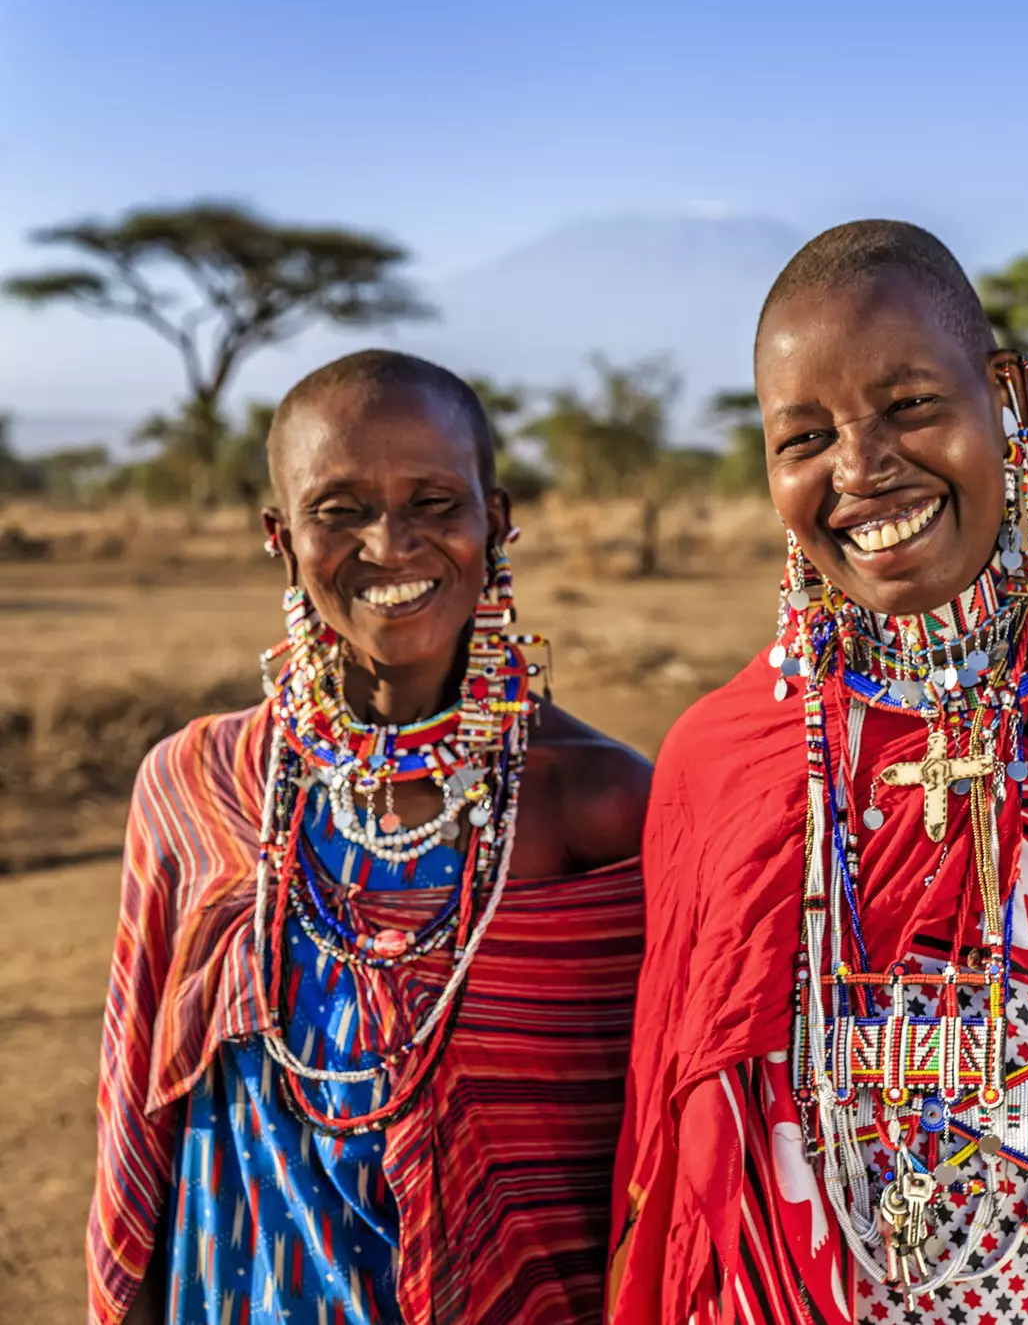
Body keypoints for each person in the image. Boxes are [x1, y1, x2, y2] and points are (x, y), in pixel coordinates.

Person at [609, 221, 1028, 1325]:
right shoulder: (720, 760)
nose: (860, 468)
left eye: (911, 405)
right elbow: (686, 1155)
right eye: (805, 437)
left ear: (1004, 396)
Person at [90, 351, 651, 1325]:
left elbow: (656, 1151)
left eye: (433, 501)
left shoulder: (597, 802)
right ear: (281, 535)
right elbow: (141, 1112)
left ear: (495, 519)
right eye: (339, 509)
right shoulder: (200, 783)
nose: (390, 543)